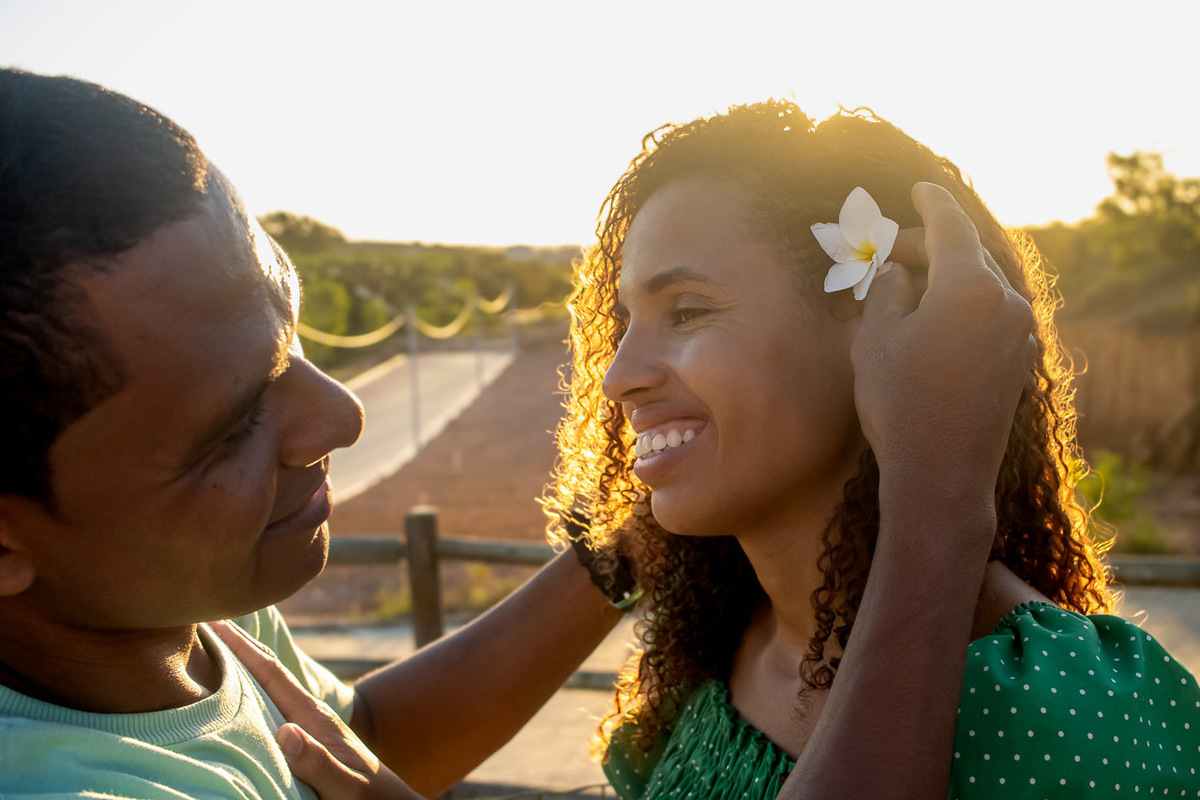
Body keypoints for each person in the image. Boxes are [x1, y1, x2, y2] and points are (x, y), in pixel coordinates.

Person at [0, 68, 1052, 800]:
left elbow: (338, 746)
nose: (341, 415)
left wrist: (635, 534)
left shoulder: (159, 619)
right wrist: (936, 495)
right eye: (232, 422)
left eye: (296, 335)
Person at [538, 101, 1200, 798]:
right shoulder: (715, 657)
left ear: (894, 320)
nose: (617, 377)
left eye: (687, 310)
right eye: (622, 321)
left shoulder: (1074, 720)